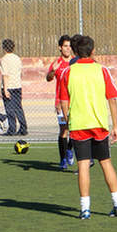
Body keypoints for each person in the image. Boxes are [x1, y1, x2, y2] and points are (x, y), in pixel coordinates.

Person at [58, 34, 117, 220]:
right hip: (99, 124)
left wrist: (68, 122)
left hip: (79, 124)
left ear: (75, 52)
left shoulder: (68, 72)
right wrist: (115, 126)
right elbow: (112, 99)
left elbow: (64, 102)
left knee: (83, 165)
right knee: (106, 162)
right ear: (93, 51)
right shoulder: (101, 70)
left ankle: (85, 209)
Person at [46, 35, 75, 170]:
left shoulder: (75, 62)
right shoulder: (57, 63)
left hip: (75, 100)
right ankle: (63, 159)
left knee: (75, 128)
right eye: (65, 46)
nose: (68, 49)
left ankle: (69, 149)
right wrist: (53, 71)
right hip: (61, 101)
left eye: (69, 46)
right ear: (60, 48)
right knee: (63, 130)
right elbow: (48, 78)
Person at [0, 38, 28, 136]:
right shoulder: (17, 58)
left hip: (9, 86)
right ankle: (23, 128)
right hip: (17, 85)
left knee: (9, 109)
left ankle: (12, 129)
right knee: (18, 108)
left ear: (4, 48)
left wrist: (5, 89)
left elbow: (5, 75)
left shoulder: (4, 59)